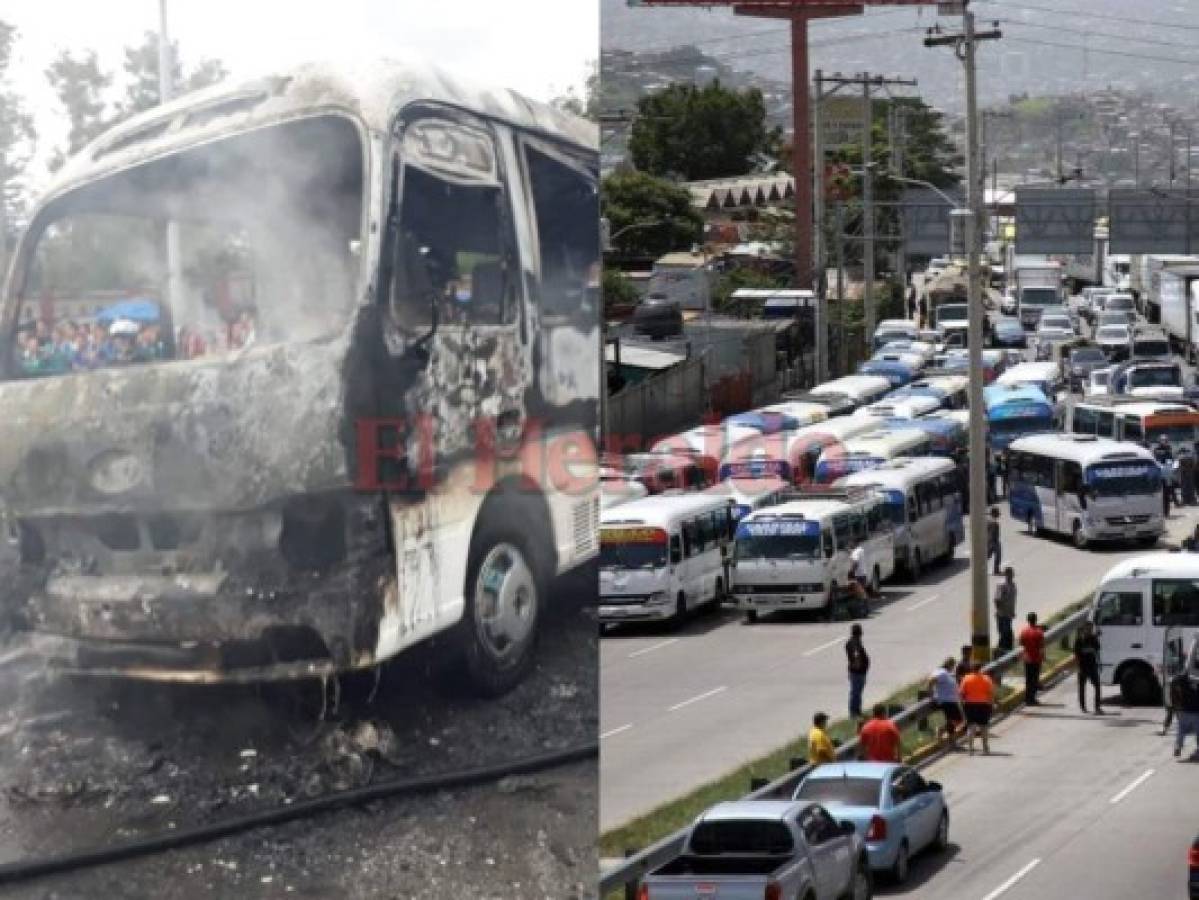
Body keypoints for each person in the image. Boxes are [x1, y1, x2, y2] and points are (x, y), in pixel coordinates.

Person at [959, 662, 995, 755]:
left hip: (969, 704)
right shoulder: (986, 679)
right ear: (981, 668)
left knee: (971, 726)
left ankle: (970, 749)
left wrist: (963, 703)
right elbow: (990, 693)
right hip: (983, 704)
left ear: (972, 668)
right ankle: (985, 748)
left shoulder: (966, 678)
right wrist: (991, 704)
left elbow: (962, 693)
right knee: (984, 727)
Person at [927, 657, 965, 745]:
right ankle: (944, 733)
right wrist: (931, 696)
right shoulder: (941, 672)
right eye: (953, 665)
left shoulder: (946, 673)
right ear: (949, 664)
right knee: (957, 719)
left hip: (950, 700)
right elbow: (930, 681)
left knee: (953, 720)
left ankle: (949, 737)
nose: (954, 667)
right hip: (946, 700)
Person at [1073, 620, 1103, 714]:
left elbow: (1097, 651)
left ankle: (1097, 707)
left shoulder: (1094, 639)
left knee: (1097, 686)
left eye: (1091, 628)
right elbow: (1076, 654)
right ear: (1084, 629)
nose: (1089, 630)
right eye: (1088, 628)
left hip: (1092, 666)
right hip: (1082, 667)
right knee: (1082, 687)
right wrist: (1078, 666)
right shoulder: (1079, 640)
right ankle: (1083, 707)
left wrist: (1099, 663)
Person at [1019, 611, 1046, 706]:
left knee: (1028, 679)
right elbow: (1041, 646)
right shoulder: (1039, 632)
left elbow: (1021, 644)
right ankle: (1032, 699)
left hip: (1027, 658)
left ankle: (1027, 698)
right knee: (1034, 679)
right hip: (1036, 658)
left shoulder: (1024, 631)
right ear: (1036, 620)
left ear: (1028, 620)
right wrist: (1043, 657)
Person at [1171, 672, 1199, 759]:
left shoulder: (1182, 681)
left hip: (1185, 711)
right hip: (1196, 712)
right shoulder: (1193, 682)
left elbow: (1174, 682)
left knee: (1181, 730)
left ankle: (1178, 747)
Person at [846, 624, 870, 720]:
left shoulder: (853, 642)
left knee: (857, 692)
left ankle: (857, 710)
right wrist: (858, 664)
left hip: (857, 671)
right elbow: (856, 655)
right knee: (856, 692)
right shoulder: (855, 643)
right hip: (857, 672)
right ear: (860, 632)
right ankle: (854, 712)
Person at [994, 567, 1017, 654]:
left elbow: (1012, 600)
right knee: (1005, 634)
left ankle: (1008, 653)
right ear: (1006, 574)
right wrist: (1000, 612)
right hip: (1002, 615)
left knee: (1007, 635)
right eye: (1010, 573)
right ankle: (999, 653)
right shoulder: (1002, 585)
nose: (1012, 575)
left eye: (1012, 573)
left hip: (1009, 614)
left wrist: (1012, 611)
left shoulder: (1013, 584)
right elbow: (997, 600)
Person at [986, 507, 1002, 575]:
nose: (999, 515)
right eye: (997, 513)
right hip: (993, 541)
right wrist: (995, 542)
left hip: (988, 541)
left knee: (988, 555)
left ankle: (981, 568)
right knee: (998, 555)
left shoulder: (988, 521)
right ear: (994, 513)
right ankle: (996, 570)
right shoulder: (994, 523)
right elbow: (992, 533)